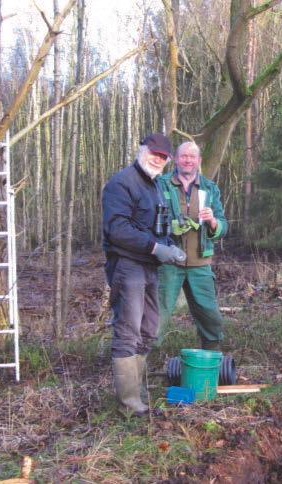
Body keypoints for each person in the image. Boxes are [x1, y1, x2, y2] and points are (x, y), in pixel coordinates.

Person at [102, 133, 186, 415]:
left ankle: (137, 392)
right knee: (129, 331)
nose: (158, 159)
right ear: (141, 150)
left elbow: (158, 228)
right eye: (154, 153)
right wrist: (154, 247)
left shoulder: (156, 186)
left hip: (150, 267)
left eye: (163, 157)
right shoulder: (121, 183)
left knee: (149, 330)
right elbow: (118, 230)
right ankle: (130, 405)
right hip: (127, 266)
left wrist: (170, 248)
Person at [156, 141, 228, 350]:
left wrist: (213, 222)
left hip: (200, 264)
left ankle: (209, 366)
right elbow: (148, 218)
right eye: (183, 156)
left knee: (210, 317)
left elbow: (223, 225)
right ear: (175, 159)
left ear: (199, 161)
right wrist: (170, 225)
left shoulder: (209, 188)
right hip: (167, 263)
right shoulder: (160, 184)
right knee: (155, 317)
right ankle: (139, 371)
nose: (188, 160)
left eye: (192, 156)